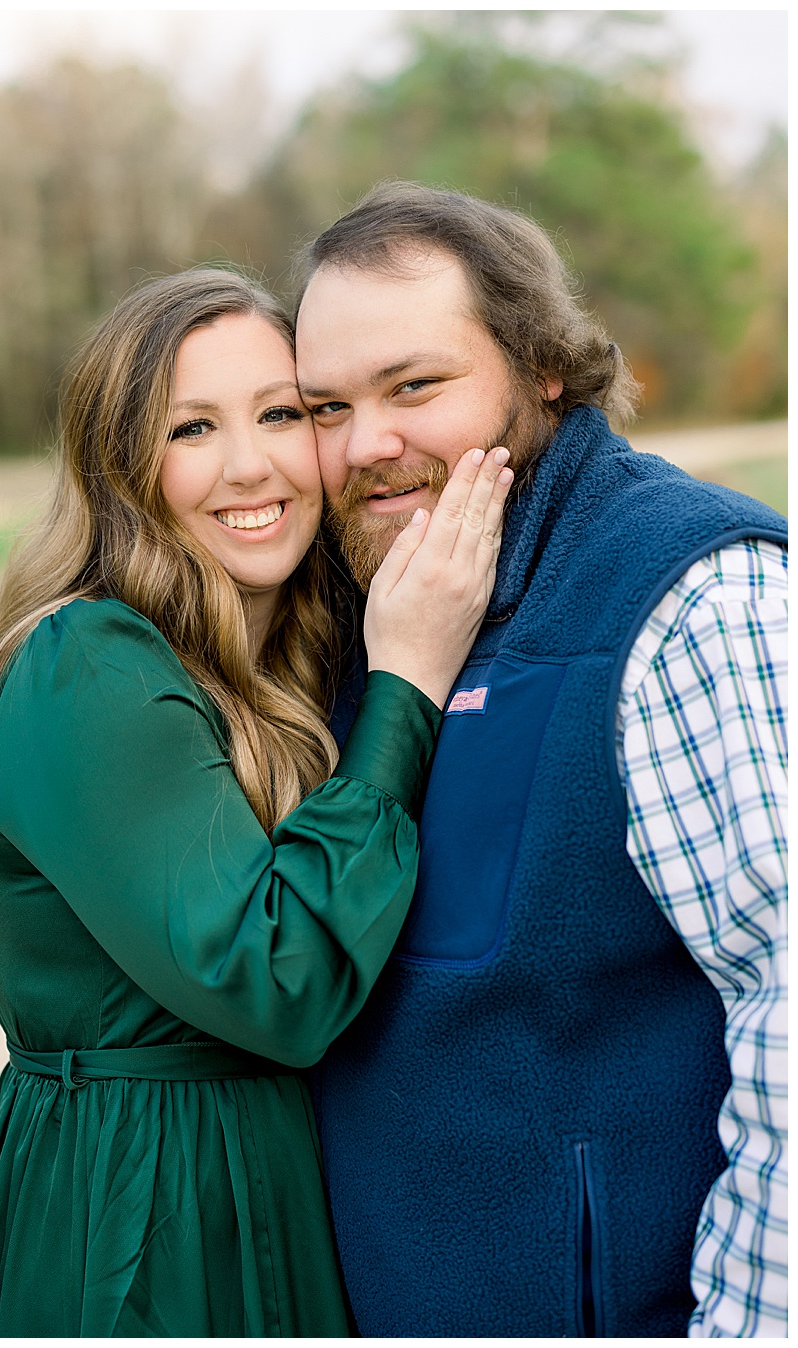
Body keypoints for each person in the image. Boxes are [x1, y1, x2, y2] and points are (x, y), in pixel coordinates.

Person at [0, 269, 513, 1336]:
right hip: (141, 1206)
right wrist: (410, 682)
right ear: (123, 467)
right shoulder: (88, 663)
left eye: (281, 413)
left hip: (262, 1178)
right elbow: (274, 977)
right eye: (192, 427)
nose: (252, 464)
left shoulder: (266, 657)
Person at [295, 182, 787, 1337]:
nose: (370, 443)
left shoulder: (696, 591)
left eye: (415, 386)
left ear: (541, 367)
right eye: (326, 406)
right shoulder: (356, 608)